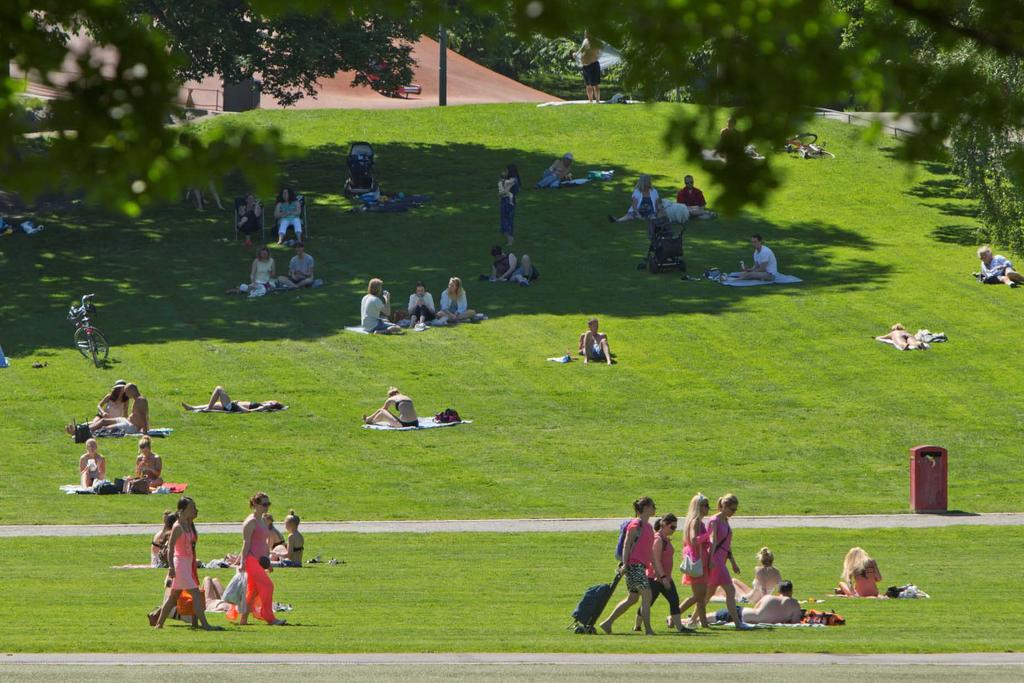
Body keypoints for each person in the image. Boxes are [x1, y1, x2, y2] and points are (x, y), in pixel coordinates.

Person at [153, 497, 215, 630]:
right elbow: (170, 549)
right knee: (196, 594)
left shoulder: (188, 524)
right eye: (191, 507)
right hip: (180, 563)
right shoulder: (177, 527)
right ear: (183, 510)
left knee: (173, 596)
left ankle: (159, 624)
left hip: (187, 563)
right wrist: (171, 567)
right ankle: (205, 624)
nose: (193, 509)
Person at [599, 497, 657, 635]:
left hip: (640, 566)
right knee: (647, 595)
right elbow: (627, 544)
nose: (655, 508)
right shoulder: (636, 524)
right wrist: (625, 564)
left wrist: (655, 569)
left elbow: (649, 551)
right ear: (646, 507)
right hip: (633, 565)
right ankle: (648, 629)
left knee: (632, 598)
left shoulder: (648, 527)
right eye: (653, 506)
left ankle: (607, 623)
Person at [227, 492, 286, 625]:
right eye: (264, 504)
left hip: (260, 560)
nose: (267, 507)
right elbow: (246, 543)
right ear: (255, 504)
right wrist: (241, 562)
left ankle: (243, 619)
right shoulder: (250, 522)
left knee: (253, 591)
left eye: (268, 504)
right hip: (251, 559)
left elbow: (263, 543)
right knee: (268, 586)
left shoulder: (262, 520)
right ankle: (268, 616)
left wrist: (268, 562)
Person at [634, 514, 694, 633]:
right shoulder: (658, 539)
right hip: (655, 578)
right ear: (664, 524)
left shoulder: (665, 539)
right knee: (648, 603)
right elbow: (655, 560)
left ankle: (680, 627)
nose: (674, 530)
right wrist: (663, 577)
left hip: (665, 577)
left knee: (674, 600)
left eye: (675, 528)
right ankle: (637, 625)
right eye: (672, 527)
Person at [705, 493, 752, 629]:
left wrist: (733, 563)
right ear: (724, 506)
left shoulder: (725, 521)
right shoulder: (715, 520)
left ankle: (693, 619)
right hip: (716, 561)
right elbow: (712, 542)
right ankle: (738, 623)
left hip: (721, 560)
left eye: (735, 510)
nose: (733, 512)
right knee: (730, 591)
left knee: (708, 594)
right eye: (732, 509)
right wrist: (710, 560)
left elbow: (727, 545)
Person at [677, 493, 712, 628]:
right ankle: (674, 615)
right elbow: (693, 540)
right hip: (697, 562)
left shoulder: (698, 522)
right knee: (698, 596)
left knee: (701, 597)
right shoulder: (695, 522)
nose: (708, 508)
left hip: (699, 561)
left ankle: (703, 623)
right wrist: (708, 534)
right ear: (698, 507)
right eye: (705, 505)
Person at [714, 580, 802, 625]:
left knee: (709, 617)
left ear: (779, 591)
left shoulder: (768, 598)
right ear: (791, 591)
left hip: (743, 614)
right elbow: (795, 621)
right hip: (744, 615)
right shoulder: (795, 604)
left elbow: (756, 608)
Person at [714, 547, 781, 604]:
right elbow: (780, 587)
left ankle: (713, 594)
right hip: (754, 595)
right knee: (734, 580)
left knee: (729, 583)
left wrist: (765, 602)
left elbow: (763, 589)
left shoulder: (759, 570)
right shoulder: (777, 572)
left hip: (747, 600)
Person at [78, 383, 149, 435]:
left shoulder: (140, 401)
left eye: (127, 392)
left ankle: (82, 432)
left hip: (131, 426)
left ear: (132, 391)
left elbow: (143, 416)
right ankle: (82, 430)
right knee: (103, 421)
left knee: (106, 428)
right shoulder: (137, 399)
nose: (126, 395)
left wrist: (145, 432)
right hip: (126, 421)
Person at [181, 386, 284, 413]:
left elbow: (248, 411)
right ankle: (192, 408)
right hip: (233, 406)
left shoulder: (262, 407)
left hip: (234, 407)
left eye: (272, 402)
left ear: (271, 405)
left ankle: (207, 409)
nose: (269, 401)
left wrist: (237, 404)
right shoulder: (262, 404)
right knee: (216, 404)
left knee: (219, 389)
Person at [576, 30, 603, 103]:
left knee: (595, 84)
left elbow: (599, 51)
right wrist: (576, 54)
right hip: (585, 66)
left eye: (586, 33)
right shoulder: (585, 40)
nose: (585, 34)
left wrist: (593, 56)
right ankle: (590, 101)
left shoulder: (596, 42)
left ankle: (597, 101)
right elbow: (581, 49)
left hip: (593, 65)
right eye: (585, 33)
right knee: (588, 85)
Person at [498, 164, 520, 245]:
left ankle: (510, 239)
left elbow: (506, 191)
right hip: (506, 201)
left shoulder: (513, 180)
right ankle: (509, 238)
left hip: (508, 202)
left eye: (507, 170)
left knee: (508, 220)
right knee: (505, 219)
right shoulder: (512, 180)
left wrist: (500, 194)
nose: (505, 172)